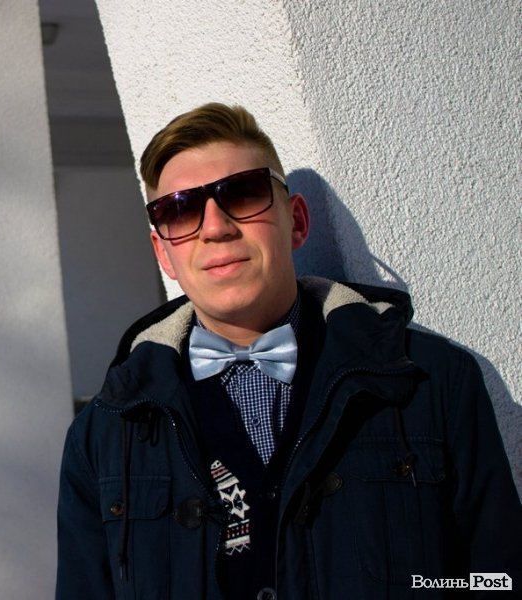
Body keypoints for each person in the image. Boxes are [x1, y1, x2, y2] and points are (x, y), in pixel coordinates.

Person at [55, 103, 521, 599]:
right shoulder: (103, 434)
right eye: (180, 209)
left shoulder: (432, 381)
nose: (214, 227)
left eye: (242, 193)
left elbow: (497, 581)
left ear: (296, 221)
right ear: (162, 252)